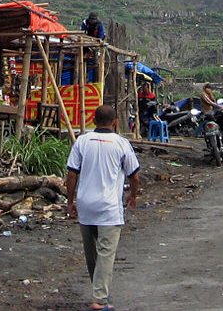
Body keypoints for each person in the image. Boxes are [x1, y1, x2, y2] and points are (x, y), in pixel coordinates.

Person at [65, 103, 141, 311]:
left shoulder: (82, 141)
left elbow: (72, 174)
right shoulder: (121, 143)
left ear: (93, 119)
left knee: (92, 254)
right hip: (109, 207)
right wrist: (132, 196)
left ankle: (99, 292)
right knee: (106, 253)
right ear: (115, 122)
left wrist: (70, 201)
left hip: (86, 206)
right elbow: (134, 176)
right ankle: (99, 298)